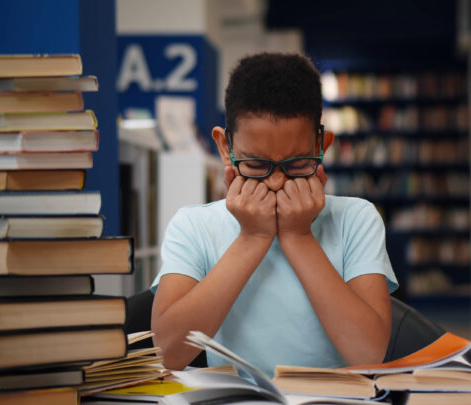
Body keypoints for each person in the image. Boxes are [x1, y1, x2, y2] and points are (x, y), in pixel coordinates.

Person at [150, 52, 398, 376]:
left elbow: (369, 352)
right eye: (255, 166)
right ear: (226, 148)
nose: (277, 182)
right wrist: (252, 237)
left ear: (323, 146)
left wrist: (298, 236)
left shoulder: (357, 219)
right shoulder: (193, 226)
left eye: (297, 165)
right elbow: (167, 353)